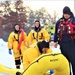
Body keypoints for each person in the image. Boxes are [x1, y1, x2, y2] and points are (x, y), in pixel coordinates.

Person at [54, 6, 75, 75]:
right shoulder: (59, 22)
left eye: (67, 14)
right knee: (65, 62)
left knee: (73, 61)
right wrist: (55, 41)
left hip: (72, 44)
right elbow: (56, 32)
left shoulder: (74, 21)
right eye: (64, 14)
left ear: (69, 14)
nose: (65, 15)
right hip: (63, 44)